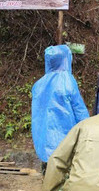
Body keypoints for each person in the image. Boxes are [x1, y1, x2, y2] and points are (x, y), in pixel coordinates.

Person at [32, 45, 90, 173]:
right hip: (64, 139)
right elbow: (79, 109)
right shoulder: (67, 81)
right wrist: (88, 128)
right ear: (65, 60)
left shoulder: (38, 85)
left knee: (48, 175)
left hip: (44, 140)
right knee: (64, 174)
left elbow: (37, 116)